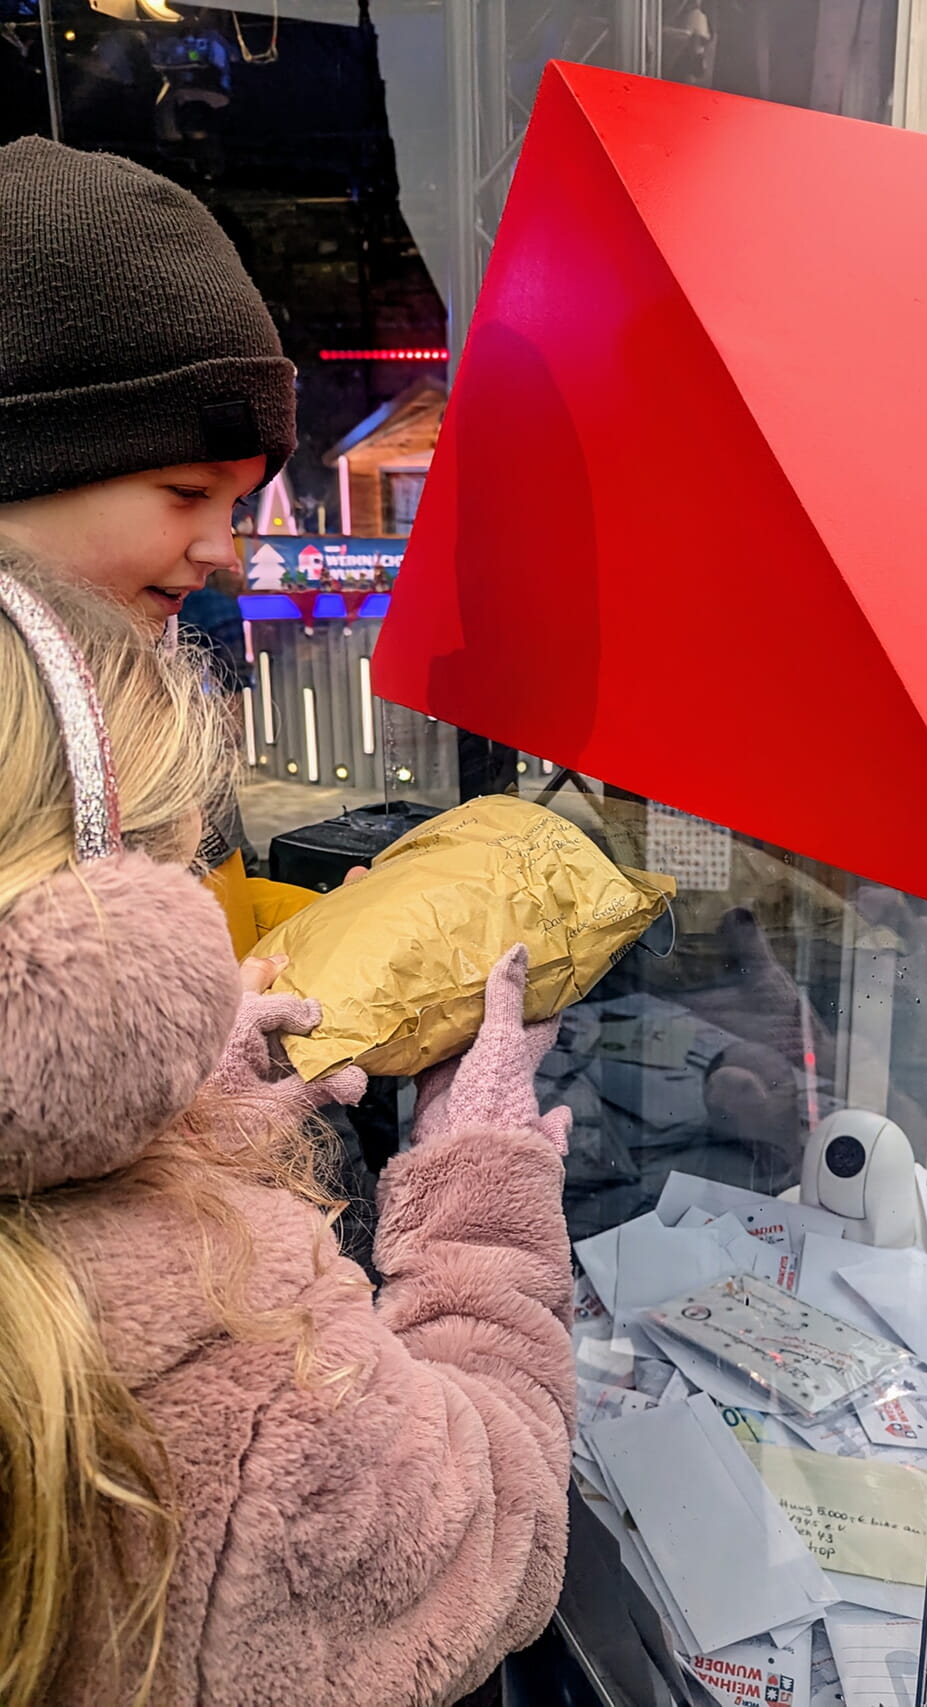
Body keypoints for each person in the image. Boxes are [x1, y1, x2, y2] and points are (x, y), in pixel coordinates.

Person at [0, 553, 575, 1706]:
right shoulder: (223, 1357)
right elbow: (494, 1532)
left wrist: (172, 1117)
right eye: (167, 868)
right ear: (92, 947)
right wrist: (479, 1184)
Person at [0, 132, 300, 960]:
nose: (223, 549)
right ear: (26, 468)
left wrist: (319, 931)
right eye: (189, 493)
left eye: (237, 502)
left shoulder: (148, 691)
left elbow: (208, 914)